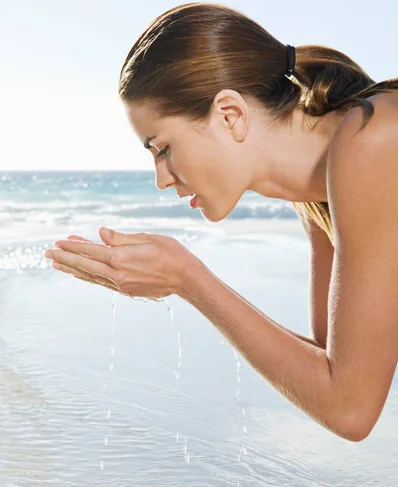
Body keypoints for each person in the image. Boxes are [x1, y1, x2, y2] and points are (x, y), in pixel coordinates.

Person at [44, 2, 398, 443]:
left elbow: (351, 409)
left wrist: (191, 280)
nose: (161, 179)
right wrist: (185, 283)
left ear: (230, 114)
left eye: (163, 147)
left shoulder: (371, 138)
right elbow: (333, 369)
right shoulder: (319, 201)